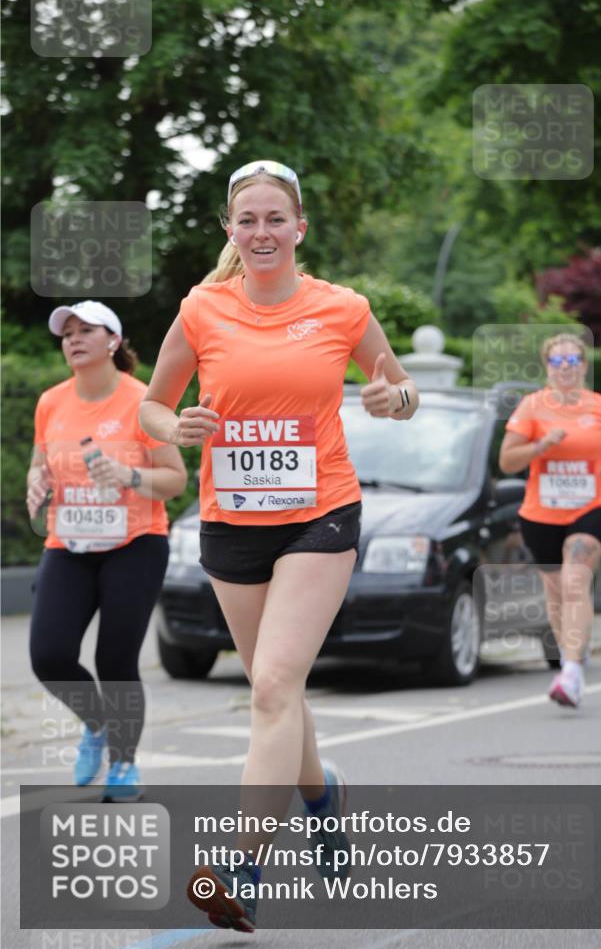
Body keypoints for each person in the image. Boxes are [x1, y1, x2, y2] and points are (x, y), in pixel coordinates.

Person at [140, 159, 419, 931]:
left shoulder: (342, 308)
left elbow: (401, 392)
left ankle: (240, 867)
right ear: (230, 230)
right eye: (247, 220)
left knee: (269, 687)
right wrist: (177, 427)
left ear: (300, 227)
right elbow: (154, 407)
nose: (261, 232)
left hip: (318, 515)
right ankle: (322, 795)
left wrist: (390, 396)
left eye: (275, 219)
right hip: (232, 522)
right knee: (279, 691)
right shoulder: (202, 309)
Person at [27, 301, 187, 800]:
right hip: (68, 542)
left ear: (113, 341)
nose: (73, 338)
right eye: (67, 332)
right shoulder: (51, 401)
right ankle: (96, 725)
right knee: (49, 656)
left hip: (135, 544)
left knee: (116, 660)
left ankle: (123, 763)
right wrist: (36, 482)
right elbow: (40, 463)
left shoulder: (143, 403)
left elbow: (176, 480)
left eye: (86, 330)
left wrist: (130, 476)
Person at [499, 333, 601, 709]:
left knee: (576, 581)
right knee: (557, 593)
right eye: (557, 362)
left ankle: (571, 671)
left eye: (572, 362)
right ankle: (571, 654)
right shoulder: (531, 408)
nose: (565, 369)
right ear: (547, 367)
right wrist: (540, 446)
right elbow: (507, 462)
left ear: (584, 367)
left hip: (591, 506)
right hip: (540, 513)